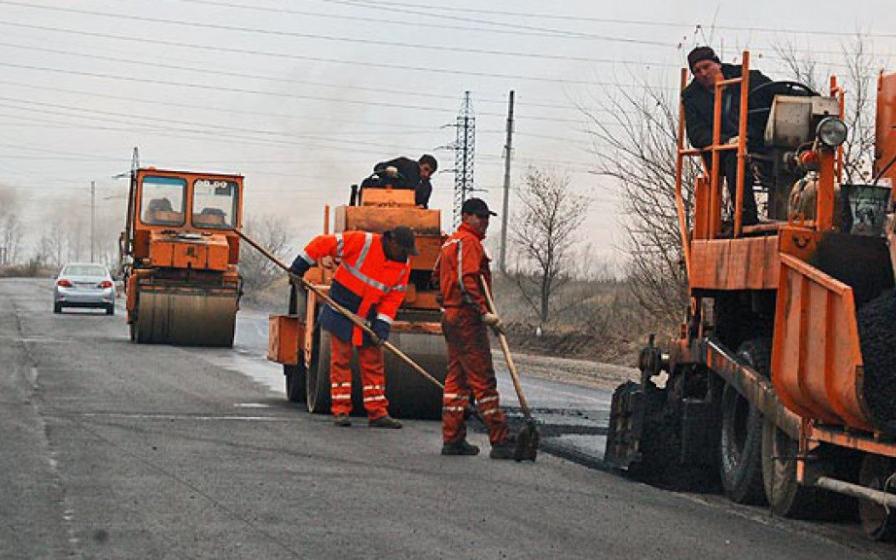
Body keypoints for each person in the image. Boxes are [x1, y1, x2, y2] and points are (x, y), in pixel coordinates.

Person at [288, 226, 419, 428]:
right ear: (391, 241)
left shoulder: (403, 266)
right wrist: (299, 266)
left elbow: (393, 298)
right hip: (342, 308)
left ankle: (377, 413)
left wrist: (382, 325)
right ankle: (341, 411)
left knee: (373, 363)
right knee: (340, 360)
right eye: (402, 249)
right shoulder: (362, 242)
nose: (404, 255)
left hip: (370, 316)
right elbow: (322, 243)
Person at [433, 197, 515, 459]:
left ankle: (452, 438)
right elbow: (466, 279)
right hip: (467, 318)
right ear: (466, 216)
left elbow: (437, 276)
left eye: (487, 218)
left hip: (452, 316)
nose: (485, 223)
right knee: (483, 378)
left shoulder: (449, 243)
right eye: (480, 217)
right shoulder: (468, 243)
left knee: (457, 380)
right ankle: (500, 439)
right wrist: (483, 312)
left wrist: (445, 301)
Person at [682, 46, 776, 227]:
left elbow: (776, 92)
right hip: (721, 151)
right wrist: (726, 140)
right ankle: (745, 218)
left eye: (706, 66)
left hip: (758, 140)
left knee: (793, 153)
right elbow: (697, 134)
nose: (703, 73)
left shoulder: (748, 78)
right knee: (734, 157)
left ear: (717, 63)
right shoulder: (691, 97)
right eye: (697, 71)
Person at [372, 154, 438, 208]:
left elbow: (423, 207)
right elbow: (378, 168)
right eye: (426, 169)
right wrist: (387, 170)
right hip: (383, 202)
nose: (426, 174)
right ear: (419, 164)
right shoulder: (404, 164)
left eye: (430, 173)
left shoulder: (426, 188)